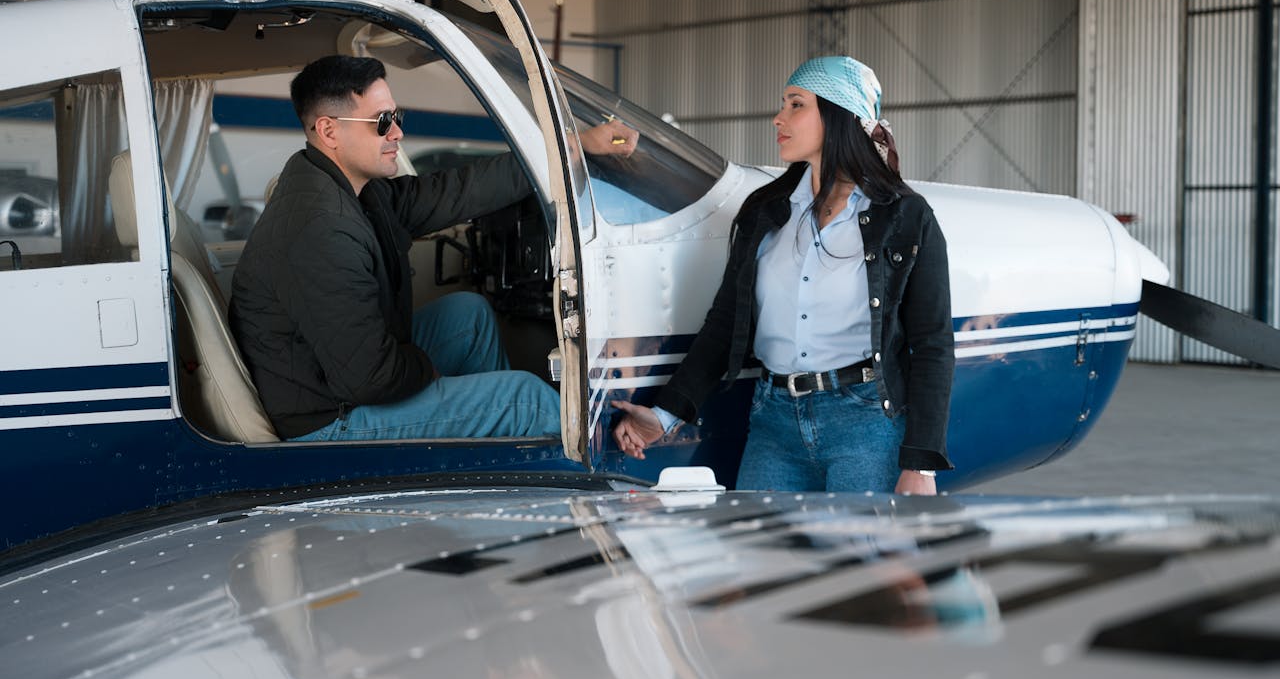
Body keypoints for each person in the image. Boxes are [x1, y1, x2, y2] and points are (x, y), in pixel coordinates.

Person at [229, 54, 636, 442]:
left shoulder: (358, 193)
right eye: (382, 122)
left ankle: (494, 455)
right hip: (327, 417)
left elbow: (456, 191)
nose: (397, 133)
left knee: (468, 317)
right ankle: (597, 466)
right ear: (329, 131)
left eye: (396, 117)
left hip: (338, 376)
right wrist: (434, 374)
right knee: (522, 398)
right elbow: (370, 378)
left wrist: (572, 147)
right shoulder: (320, 228)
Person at [611, 55, 953, 494]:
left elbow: (933, 344)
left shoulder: (906, 217)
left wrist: (921, 464)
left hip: (865, 425)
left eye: (796, 104)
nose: (779, 118)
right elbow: (724, 325)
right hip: (773, 426)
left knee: (858, 561)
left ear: (839, 115)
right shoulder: (765, 210)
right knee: (766, 560)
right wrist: (663, 416)